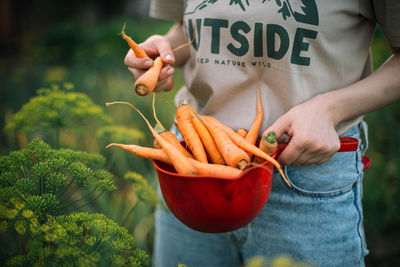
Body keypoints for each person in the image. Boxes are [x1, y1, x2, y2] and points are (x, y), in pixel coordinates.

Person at [124, 1, 400, 266]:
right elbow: (190, 27)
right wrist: (160, 55)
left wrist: (329, 109)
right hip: (187, 163)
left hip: (301, 171)